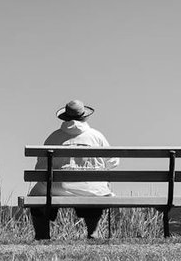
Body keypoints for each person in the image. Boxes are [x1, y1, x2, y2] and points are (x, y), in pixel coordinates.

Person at [26, 99, 119, 240]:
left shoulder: (54, 137)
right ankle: (93, 233)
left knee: (37, 195)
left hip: (56, 189)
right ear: (84, 116)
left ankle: (42, 235)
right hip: (91, 189)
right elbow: (113, 162)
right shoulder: (96, 136)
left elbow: (40, 168)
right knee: (94, 190)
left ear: (65, 117)